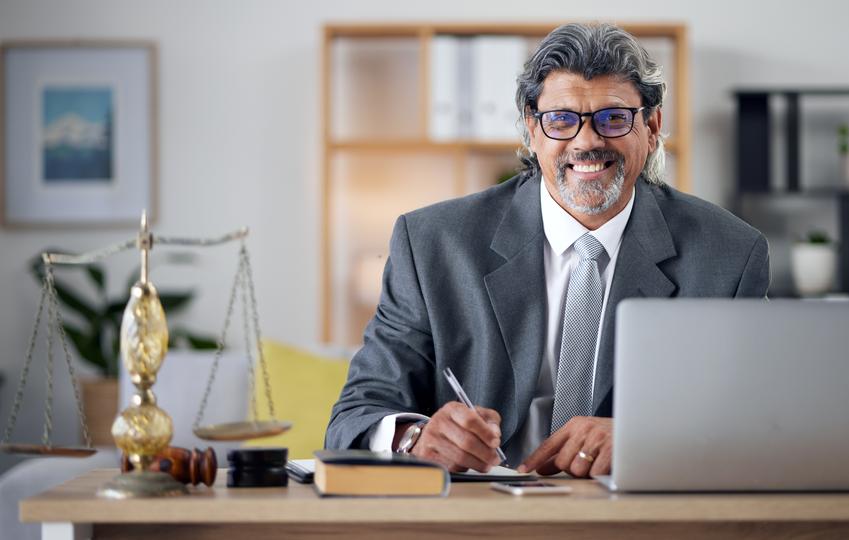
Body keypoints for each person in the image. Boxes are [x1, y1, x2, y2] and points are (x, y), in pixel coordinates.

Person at [325, 22, 770, 478]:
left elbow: (763, 423)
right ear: (530, 131)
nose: (587, 141)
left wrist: (648, 435)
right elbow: (356, 415)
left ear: (652, 126)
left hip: (632, 514)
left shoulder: (729, 256)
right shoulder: (432, 244)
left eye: (613, 118)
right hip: (478, 512)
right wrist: (415, 439)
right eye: (561, 120)